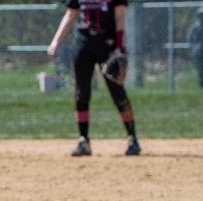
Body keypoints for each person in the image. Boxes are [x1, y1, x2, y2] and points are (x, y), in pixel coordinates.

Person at [48, 0, 141, 157]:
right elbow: (71, 14)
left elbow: (119, 16)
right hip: (83, 43)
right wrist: (55, 41)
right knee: (81, 92)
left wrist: (119, 46)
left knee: (117, 91)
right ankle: (83, 140)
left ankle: (132, 138)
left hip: (107, 42)